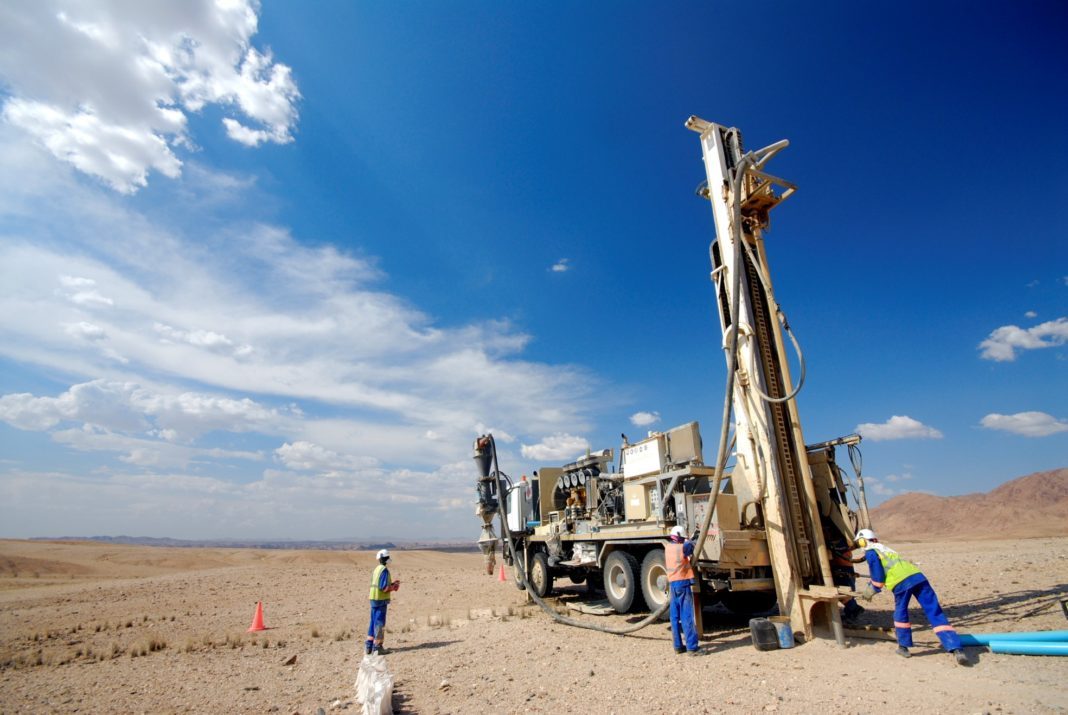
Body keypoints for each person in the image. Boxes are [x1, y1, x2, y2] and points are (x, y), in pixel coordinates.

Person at [856, 529, 969, 666]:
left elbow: (878, 578)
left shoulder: (871, 553)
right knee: (934, 611)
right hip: (918, 577)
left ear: (863, 541)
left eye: (859, 543)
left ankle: (903, 647)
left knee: (901, 613)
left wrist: (871, 590)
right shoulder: (885, 549)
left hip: (901, 583)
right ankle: (956, 648)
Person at [665, 525, 701, 655]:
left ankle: (678, 647)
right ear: (680, 537)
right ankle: (692, 648)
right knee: (687, 616)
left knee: (674, 616)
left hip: (673, 584)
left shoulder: (668, 547)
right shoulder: (682, 547)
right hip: (682, 583)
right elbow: (692, 545)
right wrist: (696, 536)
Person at [365, 548, 400, 655]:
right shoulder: (384, 571)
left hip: (373, 599)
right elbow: (384, 588)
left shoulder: (376, 570)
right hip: (380, 600)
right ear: (387, 559)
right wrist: (394, 587)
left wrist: (391, 584)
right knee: (379, 623)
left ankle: (369, 646)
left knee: (373, 622)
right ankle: (378, 646)